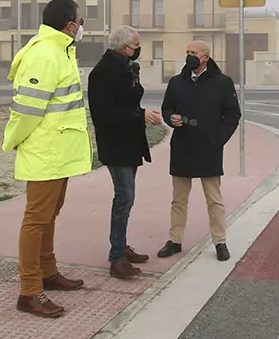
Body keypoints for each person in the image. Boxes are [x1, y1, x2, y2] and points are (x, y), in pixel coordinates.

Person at [2, 0, 93, 318]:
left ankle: (47, 272)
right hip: (45, 150)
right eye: (81, 22)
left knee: (50, 214)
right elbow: (27, 109)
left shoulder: (60, 51)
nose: (82, 27)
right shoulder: (44, 55)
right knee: (37, 219)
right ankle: (29, 291)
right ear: (69, 25)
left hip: (59, 150)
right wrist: (12, 141)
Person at [87, 26, 163, 279]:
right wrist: (140, 115)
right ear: (123, 47)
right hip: (115, 144)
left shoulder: (127, 67)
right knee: (124, 197)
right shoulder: (104, 72)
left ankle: (121, 246)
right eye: (136, 45)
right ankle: (116, 257)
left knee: (126, 198)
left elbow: (129, 101)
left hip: (129, 142)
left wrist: (141, 114)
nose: (139, 50)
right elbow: (105, 114)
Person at [157, 40, 241, 262]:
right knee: (178, 199)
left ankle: (220, 241)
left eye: (193, 53)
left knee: (214, 199)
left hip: (209, 148)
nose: (189, 56)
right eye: (187, 52)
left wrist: (218, 139)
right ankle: (175, 240)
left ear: (205, 57)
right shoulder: (176, 82)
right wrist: (170, 118)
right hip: (182, 146)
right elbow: (167, 108)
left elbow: (233, 115)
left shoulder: (222, 82)